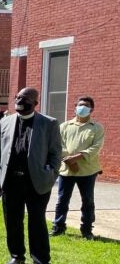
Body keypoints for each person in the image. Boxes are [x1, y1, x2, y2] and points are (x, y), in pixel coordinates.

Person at [0, 87, 61, 264]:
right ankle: (17, 256)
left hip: (36, 181)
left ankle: (42, 262)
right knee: (12, 219)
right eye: (18, 97)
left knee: (37, 221)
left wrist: (50, 173)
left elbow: (56, 153)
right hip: (10, 180)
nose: (21, 100)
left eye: (25, 98)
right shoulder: (5, 122)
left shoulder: (49, 123)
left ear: (35, 103)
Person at [51, 96, 104, 240]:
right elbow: (58, 146)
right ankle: (58, 227)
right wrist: (70, 161)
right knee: (62, 200)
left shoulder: (97, 128)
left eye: (86, 105)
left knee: (87, 201)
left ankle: (87, 230)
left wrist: (77, 157)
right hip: (67, 170)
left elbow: (96, 148)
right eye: (80, 105)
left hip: (88, 171)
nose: (82, 107)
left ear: (91, 109)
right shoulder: (65, 126)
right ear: (75, 107)